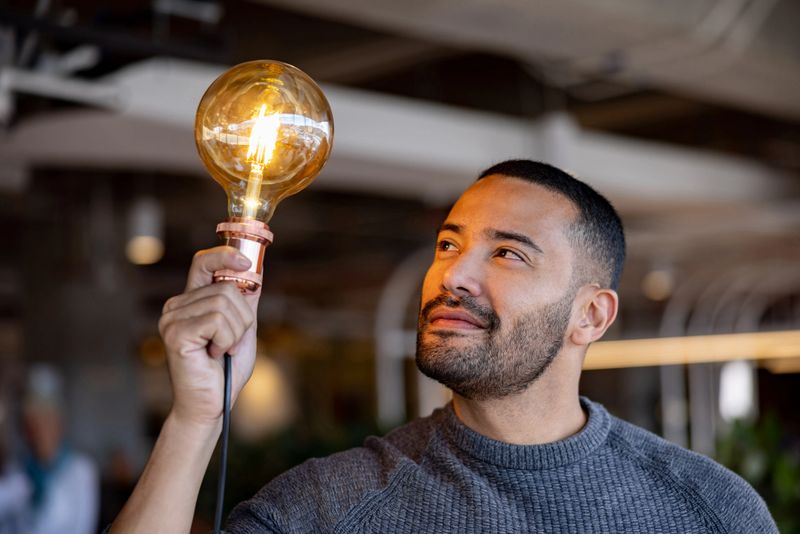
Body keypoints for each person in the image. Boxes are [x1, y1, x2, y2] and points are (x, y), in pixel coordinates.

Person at [108, 160, 778, 533]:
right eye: (448, 244)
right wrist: (196, 417)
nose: (452, 274)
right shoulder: (330, 508)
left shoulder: (709, 509)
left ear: (591, 316)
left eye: (508, 254)